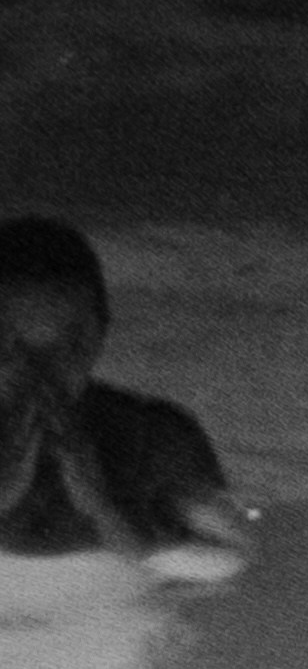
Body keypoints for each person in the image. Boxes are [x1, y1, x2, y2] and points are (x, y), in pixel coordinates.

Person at [0, 218, 251, 561]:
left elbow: (229, 557)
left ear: (99, 335)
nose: (41, 373)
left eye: (70, 346)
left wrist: (102, 505)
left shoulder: (156, 440)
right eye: (8, 347)